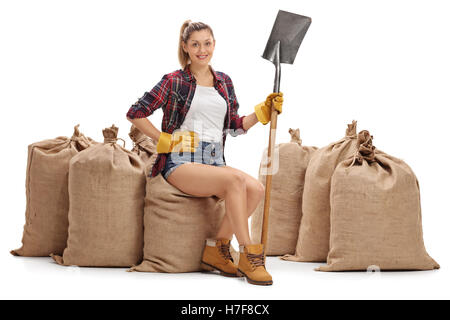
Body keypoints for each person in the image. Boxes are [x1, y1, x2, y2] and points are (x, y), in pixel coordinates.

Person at [126, 20, 283, 286]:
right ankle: (248, 254)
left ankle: (216, 250)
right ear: (185, 47)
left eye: (207, 43)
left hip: (214, 160)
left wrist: (261, 113)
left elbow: (233, 126)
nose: (202, 49)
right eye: (195, 44)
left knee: (255, 189)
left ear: (214, 45)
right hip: (180, 161)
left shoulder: (224, 82)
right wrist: (164, 141)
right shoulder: (174, 81)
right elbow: (135, 113)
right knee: (234, 182)